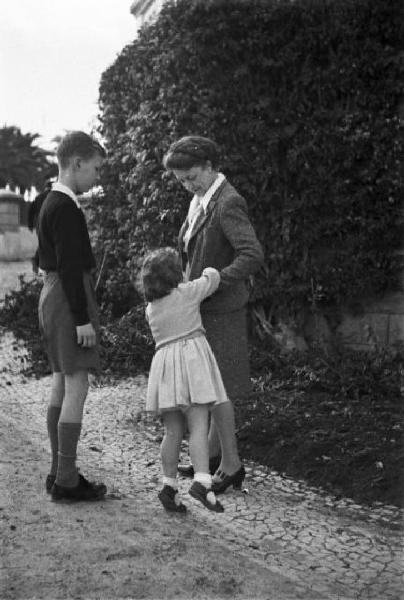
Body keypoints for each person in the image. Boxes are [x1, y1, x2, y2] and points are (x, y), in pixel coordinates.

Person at [163, 135, 264, 494]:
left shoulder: (228, 202)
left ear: (209, 165)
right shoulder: (201, 200)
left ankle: (233, 465)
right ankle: (214, 453)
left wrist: (218, 279)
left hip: (222, 308)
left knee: (219, 389)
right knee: (211, 385)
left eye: (192, 176)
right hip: (203, 308)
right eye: (181, 181)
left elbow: (252, 254)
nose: (188, 185)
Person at [37, 131, 107, 502]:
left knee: (62, 382)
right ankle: (66, 479)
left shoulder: (48, 201)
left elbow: (45, 261)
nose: (97, 177)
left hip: (54, 295)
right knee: (77, 382)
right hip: (68, 297)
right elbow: (68, 266)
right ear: (76, 163)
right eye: (95, 168)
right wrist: (82, 318)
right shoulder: (65, 207)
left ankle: (57, 471)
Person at [141, 247, 226, 513]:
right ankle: (202, 481)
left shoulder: (151, 309)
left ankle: (168, 486)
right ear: (177, 275)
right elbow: (212, 279)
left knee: (172, 431)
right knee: (199, 425)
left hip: (165, 370)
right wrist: (206, 270)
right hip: (191, 366)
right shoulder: (187, 293)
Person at [27, 179, 53, 273]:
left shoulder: (38, 197)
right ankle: (38, 261)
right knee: (48, 244)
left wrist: (30, 225)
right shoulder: (53, 196)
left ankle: (39, 262)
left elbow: (31, 211)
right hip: (50, 224)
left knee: (43, 243)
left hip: (39, 225)